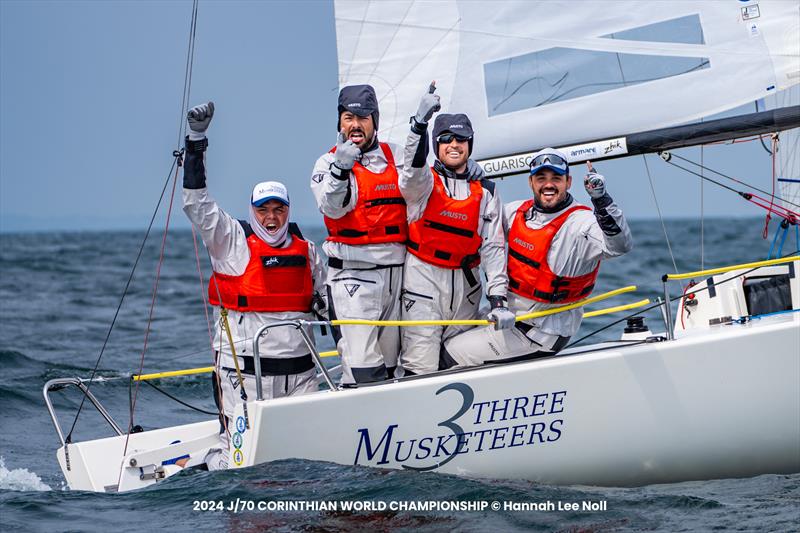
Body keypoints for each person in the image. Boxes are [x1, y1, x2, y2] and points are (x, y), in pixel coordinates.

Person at [182, 102, 326, 470]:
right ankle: (213, 463)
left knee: (308, 456)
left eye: (278, 209)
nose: (271, 217)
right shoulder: (231, 241)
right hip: (245, 375)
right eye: (263, 210)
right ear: (252, 211)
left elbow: (327, 301)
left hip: (301, 374)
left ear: (288, 212)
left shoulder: (308, 252)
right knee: (242, 459)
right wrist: (197, 142)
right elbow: (197, 205)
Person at [442, 148, 632, 367]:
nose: (548, 185)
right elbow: (472, 223)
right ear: (531, 182)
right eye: (541, 178)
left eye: (556, 178)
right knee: (443, 336)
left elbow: (620, 246)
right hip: (507, 316)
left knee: (448, 355)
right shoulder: (514, 213)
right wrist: (466, 178)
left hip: (540, 333)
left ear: (568, 182)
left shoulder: (581, 223)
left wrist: (601, 199)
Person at [397, 83, 513, 376]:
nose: (454, 144)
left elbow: (494, 247)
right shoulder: (424, 183)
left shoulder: (486, 190)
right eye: (446, 139)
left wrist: (498, 299)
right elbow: (410, 171)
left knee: (461, 363)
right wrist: (419, 125)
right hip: (423, 286)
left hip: (467, 291)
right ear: (436, 145)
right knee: (420, 366)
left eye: (461, 139)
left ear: (469, 145)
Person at [310, 84, 406, 385]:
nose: (355, 124)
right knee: (363, 369)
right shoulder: (326, 163)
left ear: (374, 121)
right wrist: (341, 167)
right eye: (349, 117)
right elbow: (331, 207)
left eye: (363, 117)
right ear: (339, 122)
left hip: (398, 275)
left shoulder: (396, 155)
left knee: (393, 368)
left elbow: (423, 189)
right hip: (353, 277)